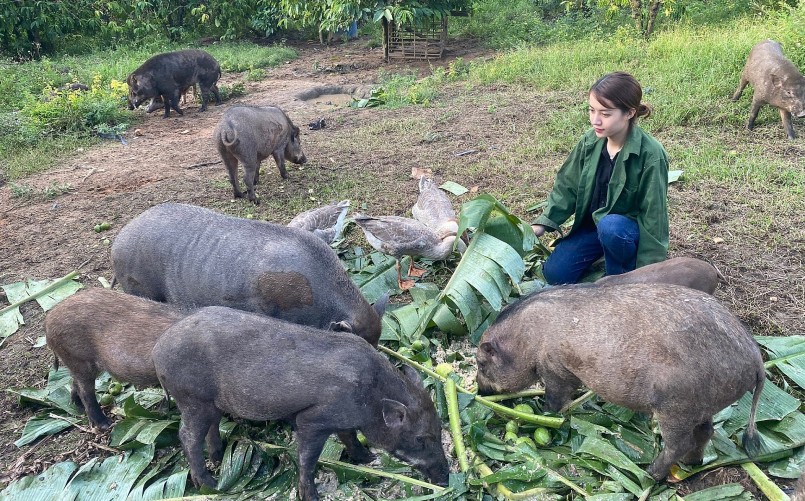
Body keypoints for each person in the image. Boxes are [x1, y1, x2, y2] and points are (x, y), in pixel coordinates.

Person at [531, 71, 669, 285]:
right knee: (555, 275)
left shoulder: (650, 155)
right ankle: (604, 254)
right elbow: (567, 188)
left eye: (605, 114)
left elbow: (654, 215)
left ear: (629, 113)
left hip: (624, 232)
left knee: (611, 227)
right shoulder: (589, 142)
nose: (595, 120)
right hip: (593, 227)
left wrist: (649, 271)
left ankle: (619, 275)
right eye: (591, 110)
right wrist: (543, 224)